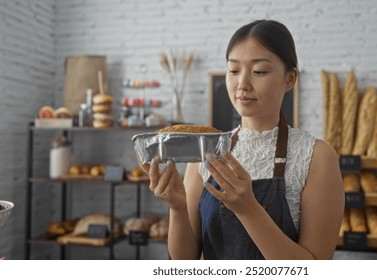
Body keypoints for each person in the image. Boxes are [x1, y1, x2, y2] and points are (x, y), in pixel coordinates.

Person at [143, 19, 344, 260]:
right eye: (233, 70)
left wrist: (249, 210)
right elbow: (184, 262)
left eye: (259, 71)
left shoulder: (317, 157)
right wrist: (177, 208)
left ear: (289, 79)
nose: (242, 84)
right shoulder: (205, 151)